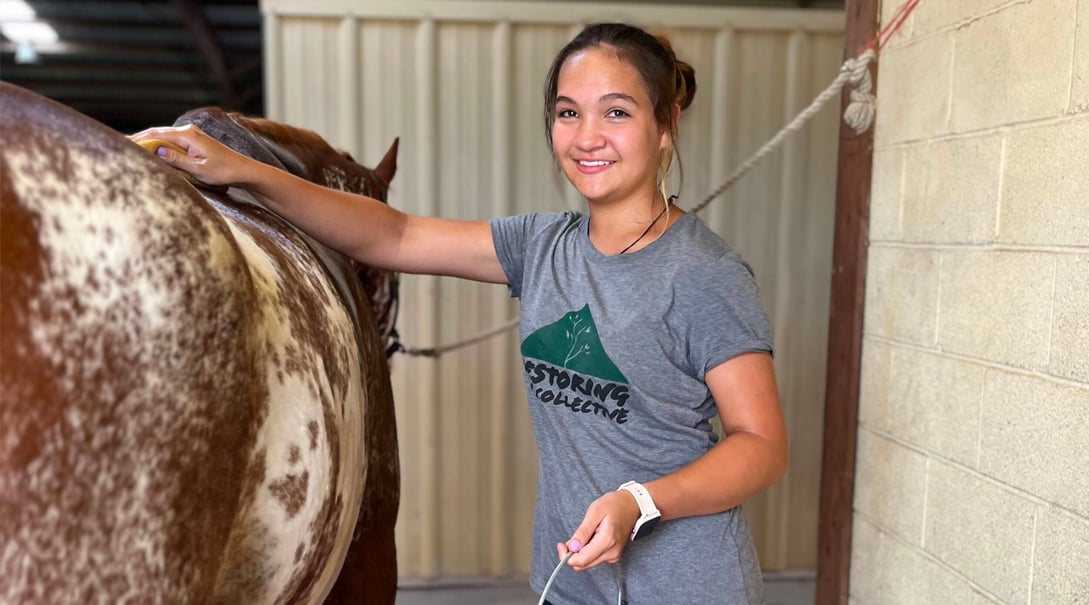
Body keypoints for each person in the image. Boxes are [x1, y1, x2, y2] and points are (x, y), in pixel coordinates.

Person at [133, 22, 788, 605]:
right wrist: (243, 170)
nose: (586, 137)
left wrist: (638, 500)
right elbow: (392, 235)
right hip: (573, 578)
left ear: (665, 124)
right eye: (567, 113)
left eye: (614, 112)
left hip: (686, 583)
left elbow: (760, 445)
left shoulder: (702, 275)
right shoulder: (542, 246)